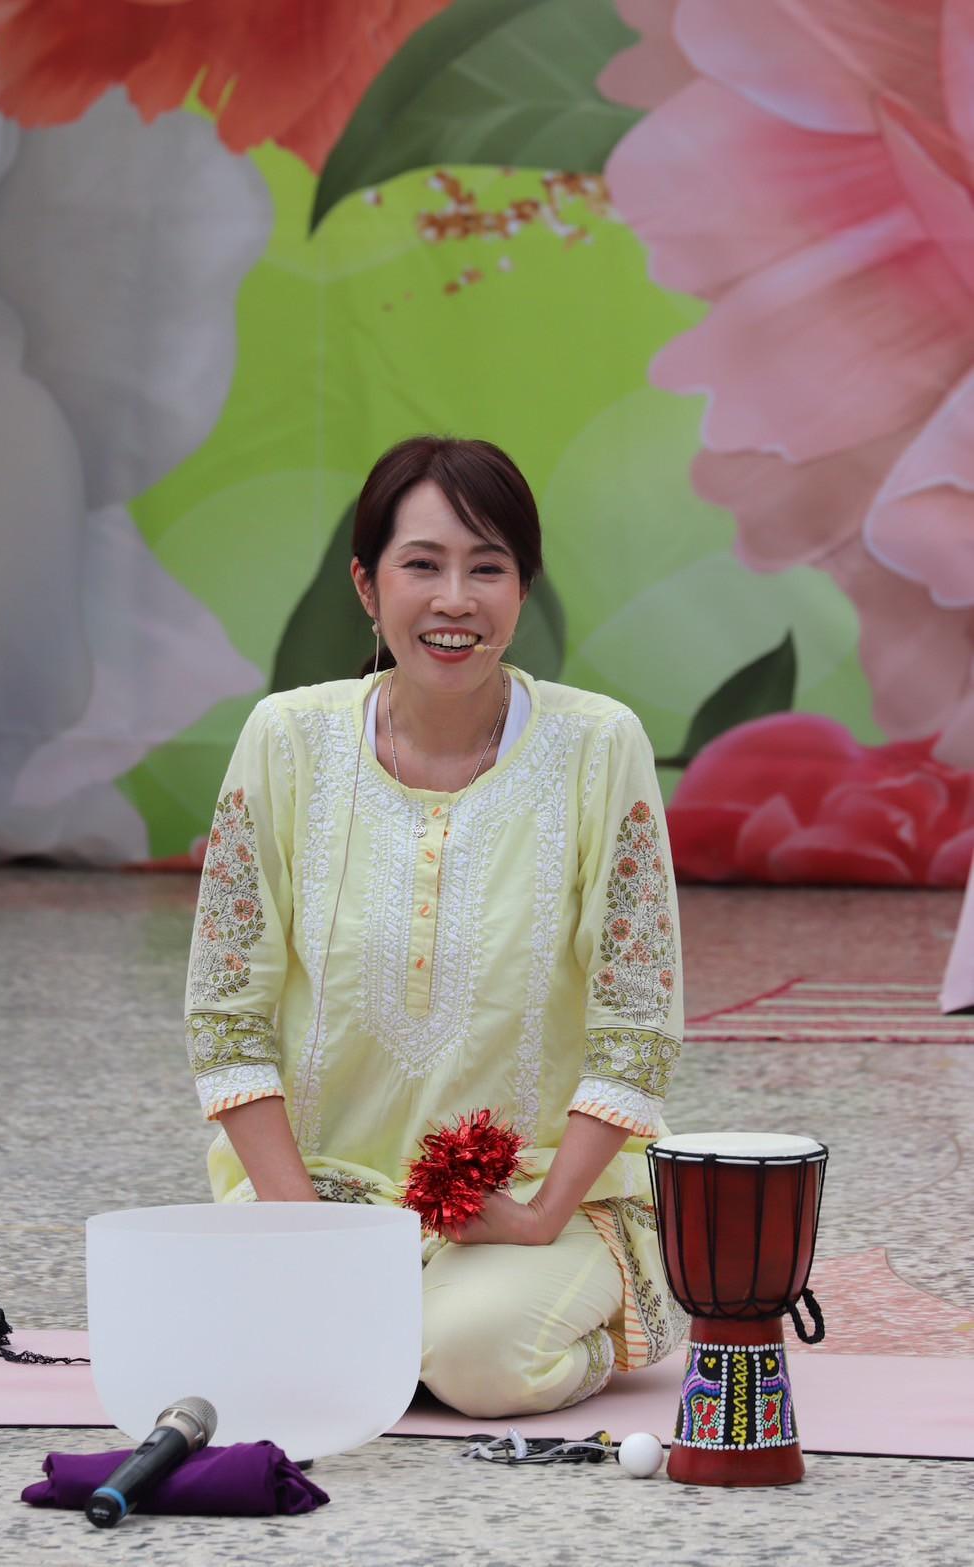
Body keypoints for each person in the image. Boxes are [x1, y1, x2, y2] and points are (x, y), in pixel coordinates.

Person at [184, 436, 686, 1416]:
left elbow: (637, 1016)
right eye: (422, 565)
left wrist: (541, 1214)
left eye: (486, 568)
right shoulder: (286, 739)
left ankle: (603, 1318)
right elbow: (225, 1014)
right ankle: (382, 1322)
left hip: (535, 1202)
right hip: (315, 1197)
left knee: (475, 1357)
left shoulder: (597, 746)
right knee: (246, 1355)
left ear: (523, 589)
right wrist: (305, 1235)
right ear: (366, 587)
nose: (455, 600)